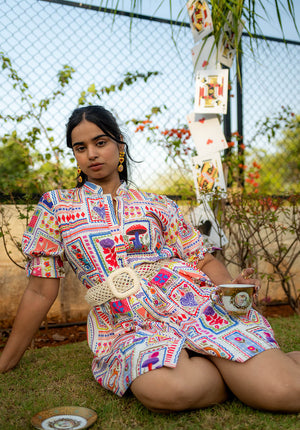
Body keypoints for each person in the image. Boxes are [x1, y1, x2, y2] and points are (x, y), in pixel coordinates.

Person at [0, 105, 299, 413]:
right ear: (75, 155)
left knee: (285, 393)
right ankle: (238, 369)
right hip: (127, 322)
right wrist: (7, 360)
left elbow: (201, 259)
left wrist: (229, 290)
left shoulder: (157, 204)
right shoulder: (56, 207)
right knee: (169, 391)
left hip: (192, 303)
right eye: (81, 147)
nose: (91, 153)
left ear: (119, 146)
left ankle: (240, 362)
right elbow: (39, 289)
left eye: (100, 142)